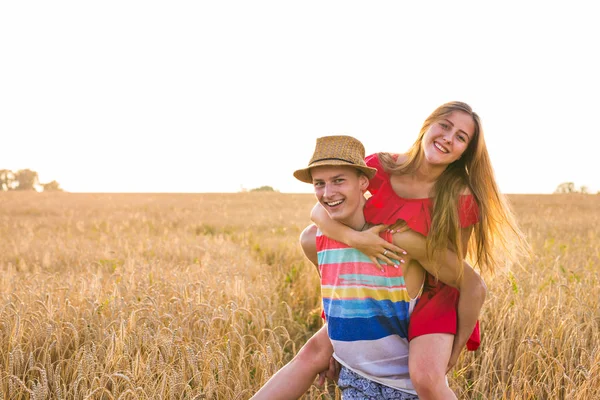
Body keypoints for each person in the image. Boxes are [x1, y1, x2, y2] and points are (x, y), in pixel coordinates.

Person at [251, 134, 487, 399]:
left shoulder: (400, 241)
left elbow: (472, 284)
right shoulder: (313, 240)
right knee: (310, 353)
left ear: (364, 182)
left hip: (402, 390)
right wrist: (339, 340)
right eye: (320, 184)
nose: (328, 193)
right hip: (355, 383)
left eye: (339, 180)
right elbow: (339, 295)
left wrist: (453, 351)